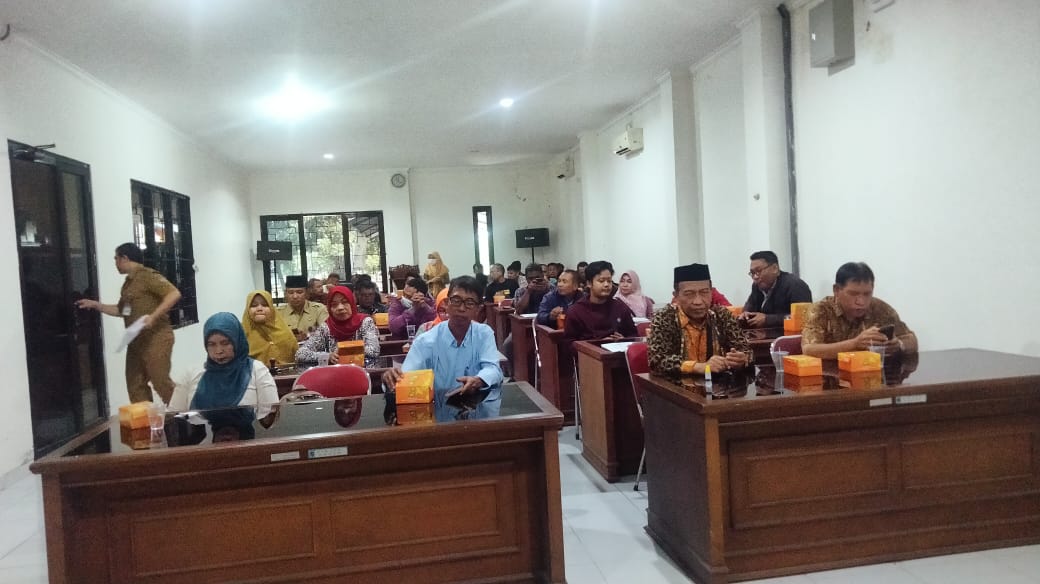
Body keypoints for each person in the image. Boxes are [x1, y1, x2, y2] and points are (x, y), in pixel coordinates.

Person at [75, 243, 181, 404]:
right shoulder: (127, 285)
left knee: (160, 382)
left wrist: (153, 317)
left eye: (116, 258)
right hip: (136, 341)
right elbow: (122, 311)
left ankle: (182, 412)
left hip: (156, 338)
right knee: (135, 385)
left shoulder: (147, 276)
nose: (115, 263)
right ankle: (145, 418)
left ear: (124, 258)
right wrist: (96, 305)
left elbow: (174, 293)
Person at [381, 276, 503, 397]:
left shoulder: (483, 334)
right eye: (456, 301)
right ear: (447, 303)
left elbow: (493, 369)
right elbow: (406, 377)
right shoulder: (425, 341)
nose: (461, 308)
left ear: (478, 309)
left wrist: (480, 380)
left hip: (476, 404)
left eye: (469, 303)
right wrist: (392, 379)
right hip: (436, 405)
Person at [648, 263, 752, 380]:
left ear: (711, 292)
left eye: (704, 292)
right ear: (676, 296)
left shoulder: (721, 315)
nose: (698, 301)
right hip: (676, 386)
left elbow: (746, 350)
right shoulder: (665, 317)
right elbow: (657, 360)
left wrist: (741, 359)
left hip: (719, 386)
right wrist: (700, 367)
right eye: (689, 294)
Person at [168, 312, 279, 420]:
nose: (219, 351)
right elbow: (174, 415)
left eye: (225, 343)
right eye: (211, 344)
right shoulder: (191, 373)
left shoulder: (257, 371)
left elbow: (270, 413)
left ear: (237, 341)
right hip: (201, 433)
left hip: (249, 432)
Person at [801, 262, 918, 359]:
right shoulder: (820, 310)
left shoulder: (880, 308)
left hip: (872, 374)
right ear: (836, 290)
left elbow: (912, 340)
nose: (861, 302)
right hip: (830, 376)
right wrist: (855, 343)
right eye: (853, 294)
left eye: (867, 294)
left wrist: (899, 345)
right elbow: (809, 350)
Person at [296, 286, 380, 367]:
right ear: (329, 308)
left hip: (363, 370)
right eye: (334, 304)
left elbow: (374, 350)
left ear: (352, 303)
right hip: (335, 372)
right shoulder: (326, 327)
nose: (340, 307)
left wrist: (344, 350)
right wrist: (327, 356)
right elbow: (300, 354)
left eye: (345, 302)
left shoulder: (365, 322)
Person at [563, 261, 638, 342]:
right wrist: (599, 343)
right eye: (601, 281)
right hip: (589, 350)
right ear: (589, 283)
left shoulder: (620, 307)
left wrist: (623, 340)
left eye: (609, 281)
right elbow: (568, 344)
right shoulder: (576, 311)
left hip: (618, 349)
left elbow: (634, 336)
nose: (606, 285)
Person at [741, 250, 813, 328]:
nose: (755, 277)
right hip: (765, 334)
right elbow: (750, 305)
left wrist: (768, 320)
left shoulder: (795, 285)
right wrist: (745, 313)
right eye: (752, 273)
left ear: (775, 268)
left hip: (791, 334)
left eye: (758, 271)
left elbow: (803, 318)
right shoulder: (757, 286)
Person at [243, 290, 298, 366]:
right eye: (254, 305)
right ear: (247, 310)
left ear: (272, 309)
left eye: (265, 305)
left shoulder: (285, 333)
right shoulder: (241, 335)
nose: (259, 308)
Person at [278, 275, 329, 342]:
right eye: (290, 292)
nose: (295, 296)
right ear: (286, 294)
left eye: (299, 292)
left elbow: (326, 333)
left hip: (314, 346)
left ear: (307, 293)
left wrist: (307, 336)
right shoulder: (278, 313)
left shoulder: (318, 309)